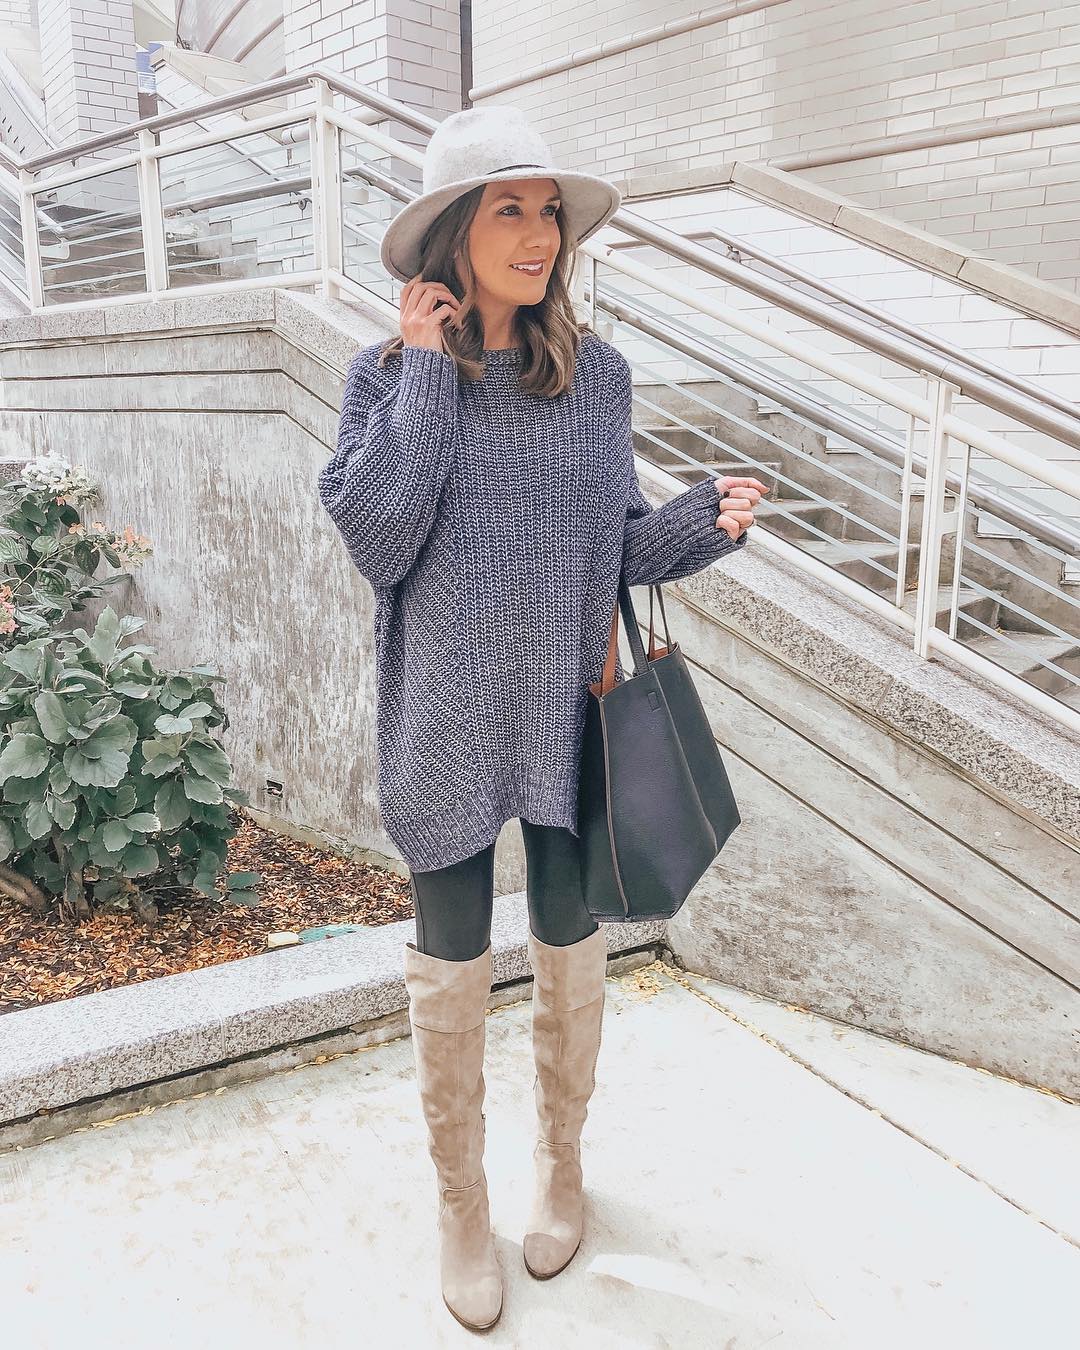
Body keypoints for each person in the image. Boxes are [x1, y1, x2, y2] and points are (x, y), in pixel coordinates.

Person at [318, 105, 765, 1332]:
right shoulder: (386, 377)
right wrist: (418, 374)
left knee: (570, 947)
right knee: (451, 958)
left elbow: (614, 546)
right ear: (453, 237)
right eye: (507, 209)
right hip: (447, 721)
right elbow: (380, 536)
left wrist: (703, 523)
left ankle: (560, 1166)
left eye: (547, 209)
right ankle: (463, 1203)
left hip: (572, 717)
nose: (536, 232)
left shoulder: (597, 376)